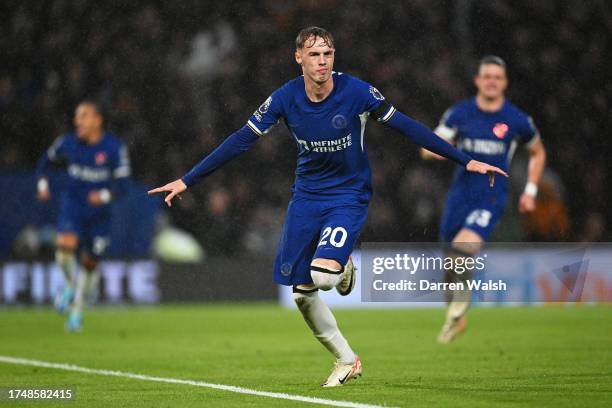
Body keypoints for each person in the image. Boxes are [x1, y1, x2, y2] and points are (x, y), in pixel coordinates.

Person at [149, 27, 506, 386]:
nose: (322, 62)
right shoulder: (284, 99)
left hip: (348, 194)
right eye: (314, 54)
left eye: (328, 54)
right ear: (299, 58)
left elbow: (408, 127)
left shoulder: (358, 92)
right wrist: (187, 180)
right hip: (306, 197)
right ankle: (346, 359)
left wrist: (465, 160)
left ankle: (342, 262)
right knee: (303, 294)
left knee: (323, 276)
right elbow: (239, 141)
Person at [421, 56, 546, 343]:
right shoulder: (459, 114)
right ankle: (455, 317)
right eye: (486, 76)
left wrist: (530, 191)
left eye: (497, 77)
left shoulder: (517, 120)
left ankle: (459, 308)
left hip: (491, 197)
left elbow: (538, 152)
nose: (491, 81)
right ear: (477, 80)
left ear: (505, 83)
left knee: (463, 249)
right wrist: (436, 149)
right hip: (459, 196)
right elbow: (432, 146)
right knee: (451, 262)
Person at [36, 100, 131, 332]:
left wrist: (104, 196)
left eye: (84, 116)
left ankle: (77, 311)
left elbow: (123, 186)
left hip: (100, 214)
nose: (78, 121)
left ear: (98, 120)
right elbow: (45, 163)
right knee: (64, 245)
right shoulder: (67, 143)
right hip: (74, 206)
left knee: (90, 263)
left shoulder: (114, 147)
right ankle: (70, 286)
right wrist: (42, 184)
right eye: (77, 116)